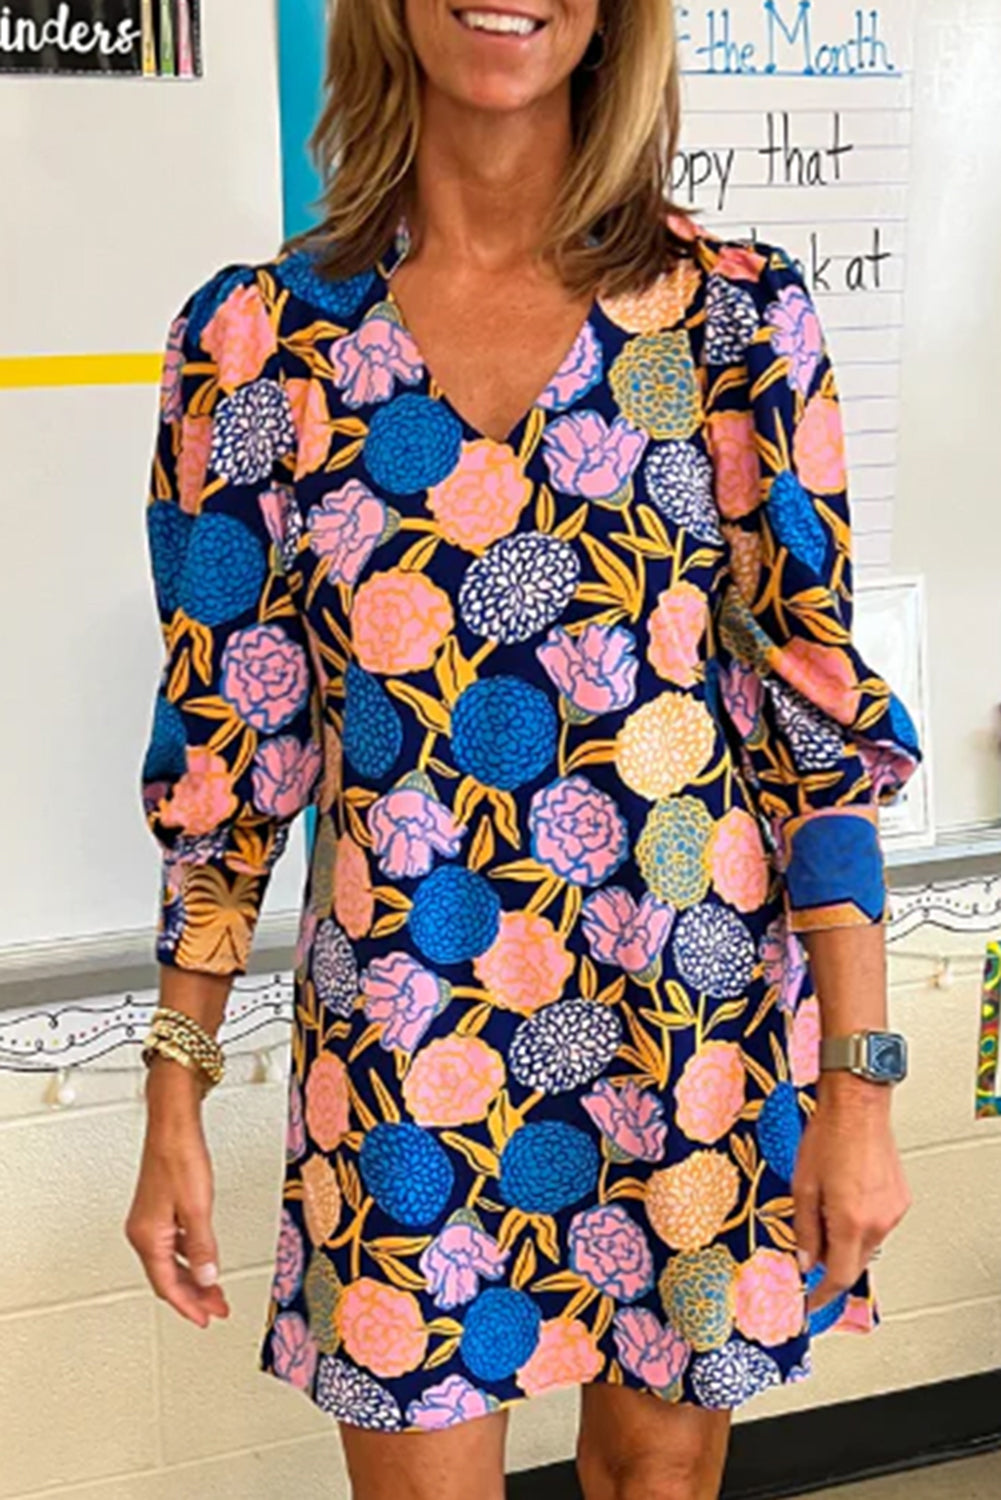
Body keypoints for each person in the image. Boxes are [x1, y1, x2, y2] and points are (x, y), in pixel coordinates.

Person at [125, 3, 923, 1497]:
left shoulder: (735, 322)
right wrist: (174, 1088)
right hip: (403, 1029)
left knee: (655, 1487)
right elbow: (230, 750)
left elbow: (816, 723)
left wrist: (860, 1090)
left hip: (695, 1021)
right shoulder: (253, 345)